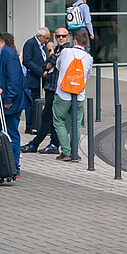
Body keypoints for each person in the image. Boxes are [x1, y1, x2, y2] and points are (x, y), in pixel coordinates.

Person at [0, 29, 27, 177]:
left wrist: (9, 99)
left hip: (8, 103)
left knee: (10, 134)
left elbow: (13, 79)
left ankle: (13, 167)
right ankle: (0, 164)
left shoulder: (9, 56)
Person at [52, 28, 93, 161]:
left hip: (63, 93)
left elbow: (58, 66)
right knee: (76, 123)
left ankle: (65, 151)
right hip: (79, 95)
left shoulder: (65, 52)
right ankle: (75, 152)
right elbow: (88, 75)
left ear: (74, 40)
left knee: (59, 120)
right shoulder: (89, 58)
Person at [21, 28, 54, 151]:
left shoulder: (43, 45)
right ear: (39, 36)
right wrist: (41, 72)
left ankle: (36, 124)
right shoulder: (30, 43)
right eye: (46, 38)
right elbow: (27, 61)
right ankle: (30, 125)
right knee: (31, 101)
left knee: (38, 101)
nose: (47, 41)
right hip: (33, 77)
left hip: (42, 77)